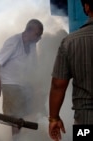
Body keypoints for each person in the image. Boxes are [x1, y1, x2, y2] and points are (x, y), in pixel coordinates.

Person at [48, 0, 93, 140]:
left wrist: (54, 119)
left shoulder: (70, 42)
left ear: (86, 7)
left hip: (86, 121)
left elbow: (58, 85)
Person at [0, 19, 43, 137]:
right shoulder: (14, 42)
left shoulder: (32, 45)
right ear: (29, 31)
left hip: (23, 84)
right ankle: (16, 139)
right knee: (15, 117)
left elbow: (34, 66)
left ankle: (19, 137)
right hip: (10, 83)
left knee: (22, 115)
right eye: (37, 34)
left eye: (40, 35)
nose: (39, 38)